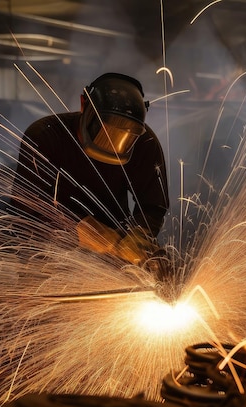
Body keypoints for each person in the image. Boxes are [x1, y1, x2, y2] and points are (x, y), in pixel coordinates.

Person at [9, 72, 169, 266]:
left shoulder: (144, 143)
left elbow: (153, 205)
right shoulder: (45, 136)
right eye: (105, 129)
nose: (113, 142)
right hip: (46, 252)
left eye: (126, 135)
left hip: (111, 259)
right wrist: (78, 228)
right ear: (84, 104)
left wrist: (138, 235)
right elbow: (27, 207)